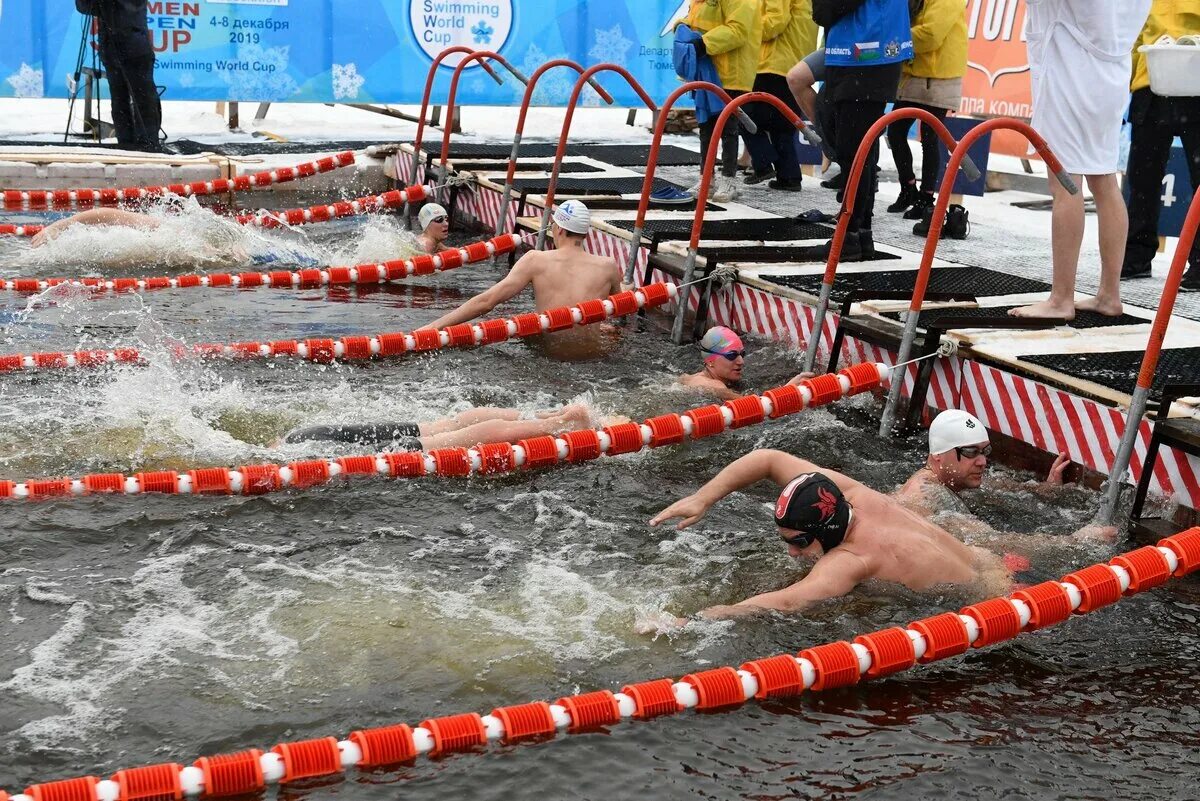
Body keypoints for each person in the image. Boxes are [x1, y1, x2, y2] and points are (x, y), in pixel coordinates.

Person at [647, 448, 1110, 623]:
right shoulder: (848, 491)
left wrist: (695, 620)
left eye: (799, 542)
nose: (791, 552)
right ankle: (1084, 540)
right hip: (992, 560)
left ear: (827, 534)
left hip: (994, 599)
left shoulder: (850, 560)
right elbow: (767, 457)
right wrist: (703, 498)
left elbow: (786, 601)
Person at [1009, 0, 1153, 319]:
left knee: (1064, 180)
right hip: (1111, 71)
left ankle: (1061, 298)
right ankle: (1109, 294)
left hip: (1071, 66)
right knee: (1104, 180)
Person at [420, 200, 623, 361]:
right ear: (585, 233)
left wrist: (433, 327)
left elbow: (487, 302)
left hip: (549, 357)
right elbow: (621, 308)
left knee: (527, 326)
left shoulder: (536, 259)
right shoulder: (608, 266)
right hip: (593, 358)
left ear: (558, 229)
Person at [801, 0, 913, 262]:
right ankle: (860, 234)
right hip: (872, 54)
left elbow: (825, 11)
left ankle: (849, 237)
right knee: (862, 153)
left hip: (861, 56)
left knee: (854, 156)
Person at [1120, 1, 1200, 290]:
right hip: (1151, 82)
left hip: (1195, 82)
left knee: (1198, 180)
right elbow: (1135, 33)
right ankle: (1135, 257)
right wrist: (1124, 83)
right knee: (1142, 177)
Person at [885, 0, 970, 239]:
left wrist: (893, 41)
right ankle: (908, 188)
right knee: (895, 131)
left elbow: (931, 34)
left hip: (939, 77)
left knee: (931, 137)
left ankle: (926, 198)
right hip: (914, 73)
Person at [894, 409, 1071, 518]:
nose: (982, 462)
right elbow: (989, 542)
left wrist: (1046, 489)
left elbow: (997, 487)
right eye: (971, 452)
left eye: (985, 451)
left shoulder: (951, 479)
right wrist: (1076, 540)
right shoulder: (930, 496)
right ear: (939, 454)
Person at [677, 0, 762, 202]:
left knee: (728, 128)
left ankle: (728, 179)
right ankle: (706, 178)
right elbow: (696, 18)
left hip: (730, 71)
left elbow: (738, 30)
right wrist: (681, 26)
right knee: (706, 126)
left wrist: (703, 43)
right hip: (707, 69)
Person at [282, 404, 591, 451]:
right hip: (312, 435)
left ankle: (555, 422)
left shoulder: (288, 454)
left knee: (449, 436)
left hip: (307, 444)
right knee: (444, 428)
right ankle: (550, 416)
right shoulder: (293, 439)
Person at [741, 0, 818, 191]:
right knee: (782, 126)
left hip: (772, 64)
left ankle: (763, 163)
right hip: (797, 65)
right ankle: (789, 177)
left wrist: (744, 27)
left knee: (742, 115)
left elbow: (774, 23)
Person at [76, 0, 161, 152]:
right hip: (111, 50)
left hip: (134, 47)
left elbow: (125, 7)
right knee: (118, 100)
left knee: (143, 98)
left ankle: (149, 143)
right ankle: (125, 143)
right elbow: (86, 8)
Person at [679, 325, 813, 399]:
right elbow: (757, 406)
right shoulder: (715, 387)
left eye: (741, 354)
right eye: (731, 355)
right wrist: (789, 388)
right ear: (711, 361)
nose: (741, 361)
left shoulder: (688, 378)